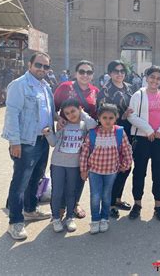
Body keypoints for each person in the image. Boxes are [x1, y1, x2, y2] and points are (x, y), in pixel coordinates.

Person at [2, 52, 56, 240]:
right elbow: (11, 115)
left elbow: (49, 111)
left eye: (46, 66)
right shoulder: (19, 85)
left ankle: (30, 210)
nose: (42, 69)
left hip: (43, 140)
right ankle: (15, 222)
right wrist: (14, 142)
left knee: (36, 177)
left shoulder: (45, 86)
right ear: (29, 64)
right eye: (38, 65)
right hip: (25, 142)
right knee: (20, 182)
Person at [127, 65, 160, 221]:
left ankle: (158, 205)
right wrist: (148, 130)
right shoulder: (138, 95)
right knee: (139, 171)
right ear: (146, 78)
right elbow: (131, 116)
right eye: (152, 77)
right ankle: (137, 204)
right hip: (142, 138)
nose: (155, 80)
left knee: (159, 171)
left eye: (158, 78)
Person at [42, 98, 97, 233]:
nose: (71, 115)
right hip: (58, 163)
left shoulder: (85, 125)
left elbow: (93, 125)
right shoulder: (63, 125)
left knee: (71, 191)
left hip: (74, 165)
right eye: (67, 113)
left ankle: (70, 217)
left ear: (79, 109)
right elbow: (54, 143)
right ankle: (56, 218)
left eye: (73, 111)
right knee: (57, 192)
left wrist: (83, 113)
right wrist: (48, 133)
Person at [53, 60, 100, 219]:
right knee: (64, 172)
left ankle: (74, 203)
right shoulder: (65, 87)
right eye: (82, 71)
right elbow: (53, 108)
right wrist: (58, 119)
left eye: (89, 72)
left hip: (85, 138)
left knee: (82, 171)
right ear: (75, 73)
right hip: (67, 136)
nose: (85, 75)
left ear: (93, 75)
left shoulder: (95, 91)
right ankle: (60, 206)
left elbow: (97, 114)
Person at [79, 104, 133, 234]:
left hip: (111, 172)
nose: (107, 121)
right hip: (94, 171)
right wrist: (83, 169)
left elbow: (127, 150)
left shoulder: (119, 132)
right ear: (99, 118)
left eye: (111, 118)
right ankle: (95, 219)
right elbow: (85, 152)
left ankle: (104, 218)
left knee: (106, 195)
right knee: (95, 196)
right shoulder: (93, 133)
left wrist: (125, 165)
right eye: (104, 118)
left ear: (116, 118)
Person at [96, 60, 134, 219]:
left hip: (129, 133)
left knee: (126, 167)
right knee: (113, 169)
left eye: (122, 71)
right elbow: (102, 116)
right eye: (116, 71)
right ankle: (109, 203)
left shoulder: (130, 88)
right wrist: (122, 117)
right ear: (110, 73)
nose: (119, 74)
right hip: (112, 134)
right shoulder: (105, 91)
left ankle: (117, 199)